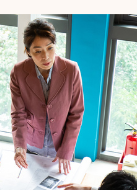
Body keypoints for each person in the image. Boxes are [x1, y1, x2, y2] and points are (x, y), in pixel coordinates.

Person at [10, 18, 84, 174]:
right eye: (38, 51)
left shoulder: (71, 70)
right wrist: (19, 146)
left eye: (50, 48)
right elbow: (18, 114)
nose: (46, 56)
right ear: (28, 51)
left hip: (62, 147)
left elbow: (76, 114)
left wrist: (67, 150)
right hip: (31, 146)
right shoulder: (18, 72)